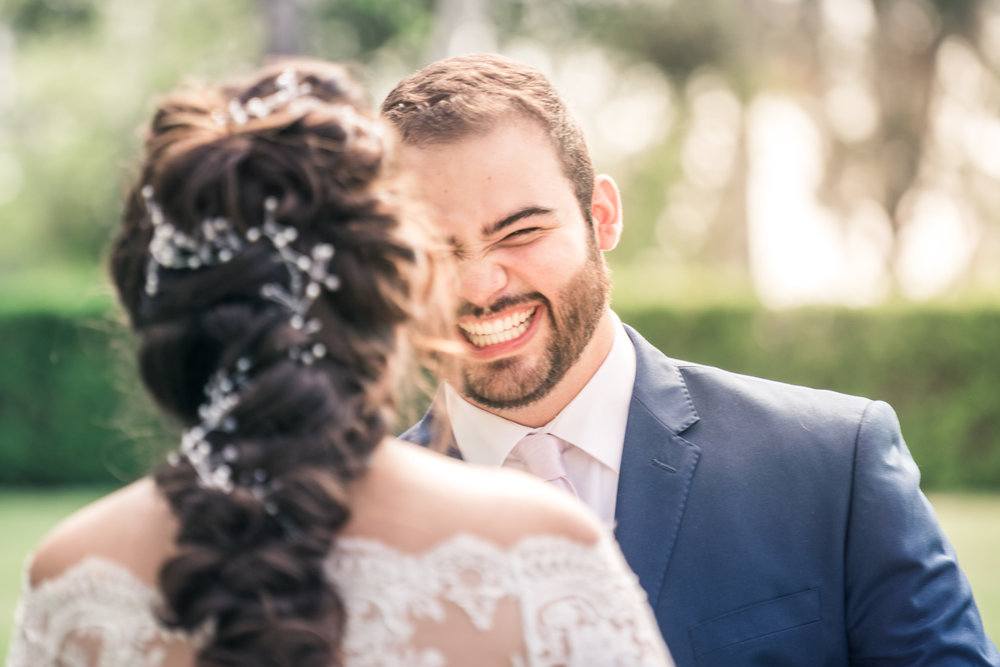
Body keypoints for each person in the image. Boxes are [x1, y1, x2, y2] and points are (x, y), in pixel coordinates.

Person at [7, 59, 673, 667]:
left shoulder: (75, 580)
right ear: (390, 297)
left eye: (521, 231)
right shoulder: (539, 550)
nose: (478, 285)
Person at [383, 53, 1000, 666]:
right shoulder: (335, 528)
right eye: (432, 252)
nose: (478, 286)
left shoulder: (833, 465)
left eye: (520, 233)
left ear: (602, 217)